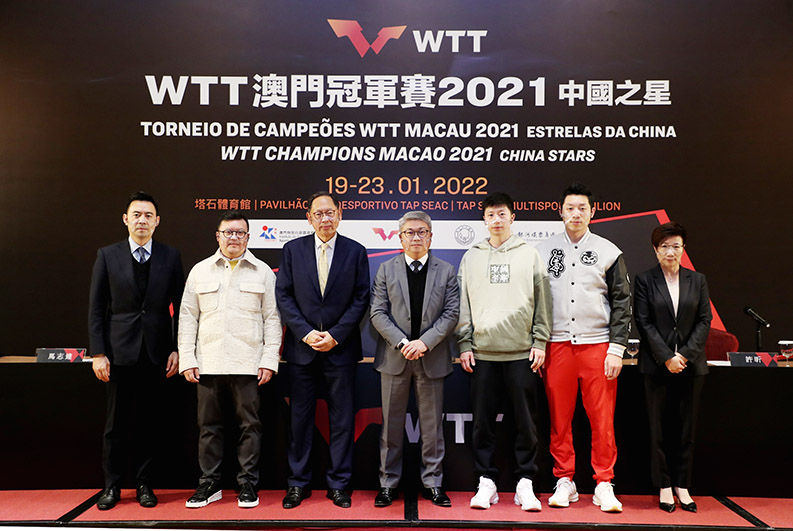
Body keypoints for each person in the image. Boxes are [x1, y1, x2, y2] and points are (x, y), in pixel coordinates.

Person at [535, 183, 631, 513]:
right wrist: (538, 343)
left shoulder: (609, 251)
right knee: (559, 419)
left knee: (602, 420)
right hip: (556, 345)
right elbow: (534, 301)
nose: (576, 213)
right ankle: (565, 479)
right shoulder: (542, 250)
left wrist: (616, 348)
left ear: (593, 212)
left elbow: (622, 302)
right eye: (570, 208)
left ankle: (604, 482)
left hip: (598, 346)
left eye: (582, 208)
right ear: (560, 211)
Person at [178, 210, 282, 509]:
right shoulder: (200, 271)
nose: (233, 237)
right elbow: (187, 317)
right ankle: (209, 484)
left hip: (248, 364)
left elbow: (273, 319)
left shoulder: (262, 272)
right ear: (218, 236)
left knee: (250, 426)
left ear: (248, 237)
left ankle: (247, 484)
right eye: (228, 232)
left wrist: (269, 359)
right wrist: (187, 357)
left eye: (240, 233)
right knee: (209, 427)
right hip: (207, 363)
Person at [88, 191, 184, 510]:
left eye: (148, 215)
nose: (142, 220)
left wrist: (177, 348)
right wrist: (98, 353)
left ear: (157, 222)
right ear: (126, 219)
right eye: (136, 215)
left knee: (149, 423)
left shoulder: (170, 256)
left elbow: (181, 307)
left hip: (156, 353)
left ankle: (145, 484)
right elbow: (97, 308)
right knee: (115, 425)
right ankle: (112, 486)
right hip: (117, 354)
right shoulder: (107, 255)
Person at [456, 192, 552, 512]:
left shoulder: (530, 255)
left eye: (502, 214)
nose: (496, 220)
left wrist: (540, 341)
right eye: (490, 215)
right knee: (482, 424)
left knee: (525, 423)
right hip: (482, 354)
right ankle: (486, 481)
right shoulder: (472, 257)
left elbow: (543, 301)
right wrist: (464, 343)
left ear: (513, 217)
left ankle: (526, 482)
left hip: (522, 353)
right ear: (483, 220)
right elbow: (463, 304)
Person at [276, 192, 370, 509]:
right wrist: (305, 333)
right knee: (299, 421)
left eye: (330, 213)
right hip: (301, 351)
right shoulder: (293, 250)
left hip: (340, 350)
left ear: (340, 215)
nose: (325, 218)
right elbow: (284, 296)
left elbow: (361, 298)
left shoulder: (355, 251)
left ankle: (339, 484)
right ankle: (298, 483)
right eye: (319, 213)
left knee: (342, 421)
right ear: (309, 218)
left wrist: (335, 335)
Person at [370, 211, 459, 508]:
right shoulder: (386, 269)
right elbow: (377, 313)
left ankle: (433, 483)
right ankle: (387, 484)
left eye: (422, 232)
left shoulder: (447, 271)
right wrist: (402, 342)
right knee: (391, 428)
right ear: (400, 238)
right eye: (410, 232)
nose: (416, 237)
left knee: (432, 429)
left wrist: (424, 343)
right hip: (395, 358)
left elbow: (451, 314)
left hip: (431, 357)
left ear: (431, 237)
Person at [634, 222, 711, 513]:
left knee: (685, 429)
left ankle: (683, 484)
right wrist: (667, 356)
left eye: (675, 246)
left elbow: (704, 320)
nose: (670, 251)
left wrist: (685, 355)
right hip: (656, 365)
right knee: (658, 429)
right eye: (664, 246)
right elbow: (643, 322)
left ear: (683, 248)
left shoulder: (697, 280)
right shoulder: (644, 280)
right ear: (655, 250)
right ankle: (664, 485)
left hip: (691, 367)